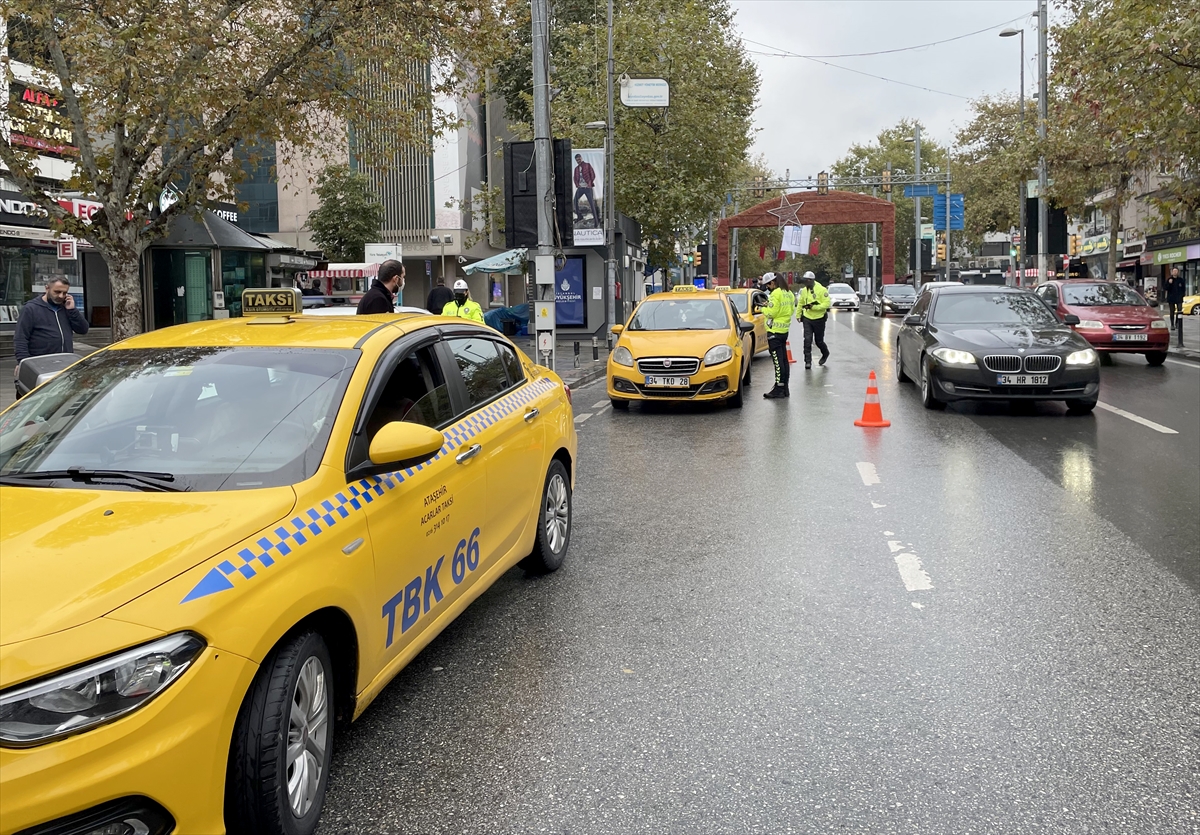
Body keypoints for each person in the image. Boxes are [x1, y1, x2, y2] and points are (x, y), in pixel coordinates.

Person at [13, 277, 89, 385]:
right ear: (47, 288)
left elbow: (83, 329)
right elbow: (21, 338)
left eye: (64, 293)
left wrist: (72, 310)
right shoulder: (31, 308)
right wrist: (24, 363)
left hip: (65, 365)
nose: (61, 296)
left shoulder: (66, 308)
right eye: (57, 292)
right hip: (40, 366)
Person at [758, 272, 795, 398]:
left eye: (768, 285)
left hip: (774, 332)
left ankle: (778, 389)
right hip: (784, 331)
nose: (767, 288)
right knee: (784, 361)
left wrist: (762, 308)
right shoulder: (788, 293)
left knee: (778, 362)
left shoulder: (775, 294)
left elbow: (772, 313)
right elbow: (790, 310)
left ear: (772, 282)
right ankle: (785, 388)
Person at [796, 270, 831, 369]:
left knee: (819, 341)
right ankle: (808, 362)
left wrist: (813, 307)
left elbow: (826, 304)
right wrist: (798, 314)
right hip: (807, 318)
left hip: (819, 318)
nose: (806, 283)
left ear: (811, 280)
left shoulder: (821, 290)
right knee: (807, 340)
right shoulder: (804, 291)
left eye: (807, 281)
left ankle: (825, 353)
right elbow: (800, 303)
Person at [573, 153, 598, 227]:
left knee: (592, 204)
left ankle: (596, 222)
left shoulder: (587, 165)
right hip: (580, 188)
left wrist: (589, 184)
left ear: (581, 158)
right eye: (577, 160)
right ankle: (579, 216)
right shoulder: (576, 169)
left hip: (588, 188)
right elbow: (575, 178)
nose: (578, 161)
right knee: (575, 200)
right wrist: (577, 185)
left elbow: (592, 174)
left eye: (579, 159)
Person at [1164, 266, 1185, 333]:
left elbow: (1183, 289)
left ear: (1178, 272)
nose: (1175, 272)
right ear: (1172, 272)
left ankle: (1177, 323)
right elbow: (1165, 288)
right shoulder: (1169, 279)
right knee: (1172, 311)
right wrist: (1169, 284)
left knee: (1179, 310)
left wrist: (1182, 296)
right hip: (1171, 298)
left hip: (1179, 298)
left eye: (1176, 271)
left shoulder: (1181, 280)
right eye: (1174, 271)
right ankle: (1172, 324)